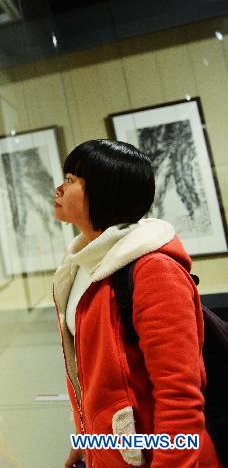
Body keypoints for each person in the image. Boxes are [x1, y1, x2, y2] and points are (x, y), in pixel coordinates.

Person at [52, 139, 221, 467]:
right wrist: (87, 441)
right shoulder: (80, 267)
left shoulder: (153, 269)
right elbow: (92, 376)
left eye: (71, 180)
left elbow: (180, 397)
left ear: (103, 192)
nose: (59, 188)